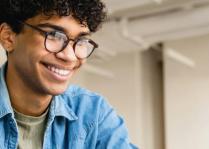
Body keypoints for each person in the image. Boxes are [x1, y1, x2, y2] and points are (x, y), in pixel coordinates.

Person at [0, 0, 137, 148]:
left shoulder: (94, 114)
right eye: (53, 35)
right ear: (8, 37)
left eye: (81, 40)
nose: (70, 56)